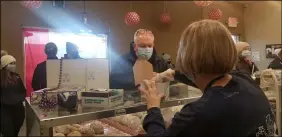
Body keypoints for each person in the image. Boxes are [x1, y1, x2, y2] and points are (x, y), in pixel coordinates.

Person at [139, 20, 275, 136]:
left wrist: (153, 108)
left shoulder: (198, 113)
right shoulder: (244, 79)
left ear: (185, 56)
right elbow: (205, 76)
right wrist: (170, 74)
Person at [1, 55, 26, 137]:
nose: (13, 65)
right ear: (5, 64)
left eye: (14, 63)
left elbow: (23, 91)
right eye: (11, 63)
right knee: (8, 132)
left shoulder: (17, 77)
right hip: (4, 111)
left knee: (16, 131)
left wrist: (19, 99)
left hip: (18, 109)